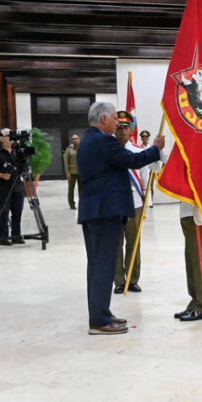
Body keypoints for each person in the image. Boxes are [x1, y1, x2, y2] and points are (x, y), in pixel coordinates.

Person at [78, 101, 164, 335]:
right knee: (104, 266)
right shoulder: (104, 141)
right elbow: (133, 161)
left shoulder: (89, 140)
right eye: (115, 118)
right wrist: (156, 148)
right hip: (105, 212)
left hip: (95, 212)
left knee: (97, 267)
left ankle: (100, 314)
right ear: (103, 119)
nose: (118, 123)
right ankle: (99, 321)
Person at [113, 110, 163, 294]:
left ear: (130, 130)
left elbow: (146, 178)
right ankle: (119, 280)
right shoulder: (110, 150)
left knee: (134, 243)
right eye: (119, 128)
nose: (122, 131)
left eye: (125, 128)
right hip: (115, 203)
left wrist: (147, 205)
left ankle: (133, 280)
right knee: (116, 244)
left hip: (135, 202)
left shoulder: (138, 151)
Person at [173, 202, 202, 322]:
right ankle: (196, 301)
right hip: (187, 209)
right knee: (192, 257)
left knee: (200, 258)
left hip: (198, 207)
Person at [0, 129, 25, 246]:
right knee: (3, 212)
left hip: (17, 186)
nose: (12, 137)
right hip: (2, 187)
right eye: (9, 135)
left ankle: (16, 236)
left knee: (17, 212)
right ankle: (3, 237)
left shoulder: (18, 151)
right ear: (1, 138)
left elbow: (23, 166)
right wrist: (2, 175)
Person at [139, 130, 156, 207]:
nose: (145, 138)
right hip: (142, 169)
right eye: (143, 137)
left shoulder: (152, 147)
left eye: (146, 137)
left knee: (150, 186)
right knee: (143, 185)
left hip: (150, 169)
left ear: (148, 138)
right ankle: (144, 201)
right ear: (141, 139)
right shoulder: (139, 147)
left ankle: (150, 202)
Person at [64, 134, 80, 209]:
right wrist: (67, 173)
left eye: (76, 138)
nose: (75, 140)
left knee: (82, 190)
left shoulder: (83, 148)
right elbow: (66, 162)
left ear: (79, 139)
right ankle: (72, 204)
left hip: (81, 172)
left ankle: (82, 204)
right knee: (71, 190)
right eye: (73, 139)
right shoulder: (69, 149)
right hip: (72, 173)